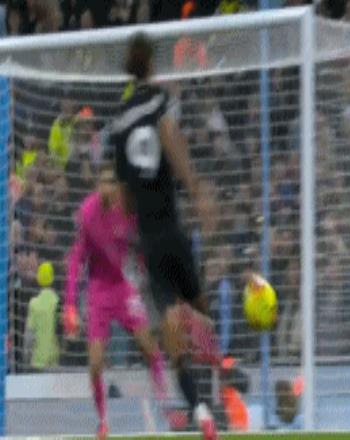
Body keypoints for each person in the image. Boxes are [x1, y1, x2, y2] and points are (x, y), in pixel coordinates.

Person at [110, 32, 218, 440]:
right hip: (172, 228)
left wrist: (127, 230)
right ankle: (216, 380)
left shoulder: (120, 120)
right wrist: (196, 188)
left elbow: (123, 195)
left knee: (170, 326)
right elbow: (170, 136)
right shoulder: (160, 102)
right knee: (201, 309)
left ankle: (200, 409)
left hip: (150, 241)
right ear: (152, 64)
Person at [63, 163, 169, 440]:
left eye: (112, 182)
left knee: (148, 344)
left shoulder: (129, 209)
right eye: (103, 182)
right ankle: (102, 421)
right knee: (95, 362)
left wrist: (147, 271)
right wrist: (70, 303)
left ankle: (163, 400)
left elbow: (142, 244)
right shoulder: (88, 212)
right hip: (98, 290)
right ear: (98, 185)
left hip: (123, 285)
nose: (107, 187)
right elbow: (76, 259)